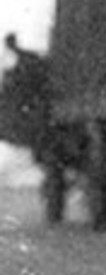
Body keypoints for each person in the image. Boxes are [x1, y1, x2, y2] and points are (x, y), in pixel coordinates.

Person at [1, 32, 68, 222]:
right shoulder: (30, 60)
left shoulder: (24, 64)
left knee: (52, 166)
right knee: (52, 167)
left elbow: (17, 94)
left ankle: (53, 208)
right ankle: (53, 206)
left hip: (45, 123)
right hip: (46, 120)